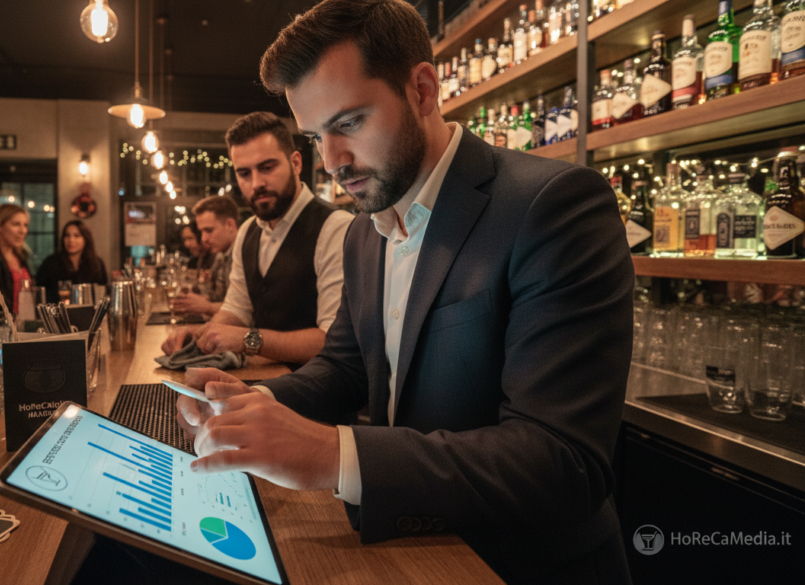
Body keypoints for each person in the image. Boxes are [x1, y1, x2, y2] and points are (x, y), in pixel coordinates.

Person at [173, 2, 634, 584]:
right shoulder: (367, 233)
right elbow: (344, 366)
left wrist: (331, 453)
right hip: (413, 551)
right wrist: (258, 406)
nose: (332, 162)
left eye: (349, 124)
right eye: (316, 136)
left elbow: (562, 463)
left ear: (422, 89)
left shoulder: (553, 206)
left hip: (519, 563)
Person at [162, 112, 353, 365]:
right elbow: (236, 309)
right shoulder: (248, 231)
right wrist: (200, 333)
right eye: (244, 173)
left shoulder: (335, 228)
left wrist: (248, 340)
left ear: (295, 163)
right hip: (265, 380)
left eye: (267, 167)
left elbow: (331, 340)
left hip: (322, 394)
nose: (256, 184)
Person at [171, 196, 240, 318]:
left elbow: (245, 310)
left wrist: (208, 307)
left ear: (229, 225)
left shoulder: (245, 254)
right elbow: (218, 296)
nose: (203, 239)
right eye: (201, 231)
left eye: (209, 230)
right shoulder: (221, 254)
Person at [35, 220, 108, 300]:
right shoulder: (51, 263)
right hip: (58, 310)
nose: (71, 240)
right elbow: (40, 292)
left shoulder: (96, 263)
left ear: (85, 239)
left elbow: (103, 292)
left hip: (89, 311)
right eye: (67, 235)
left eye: (76, 236)